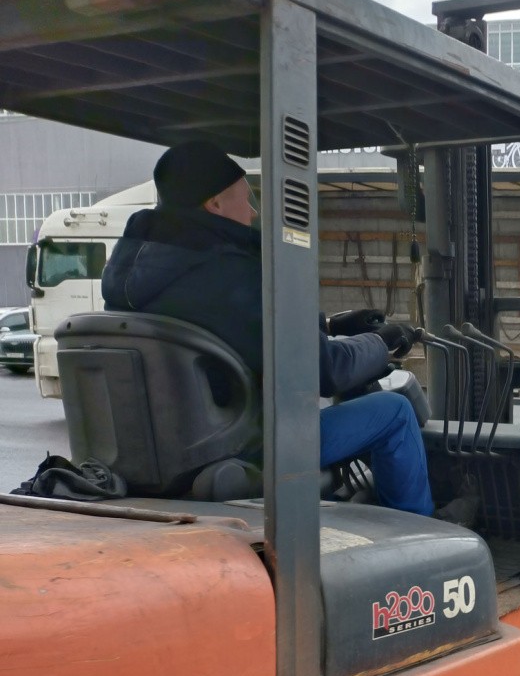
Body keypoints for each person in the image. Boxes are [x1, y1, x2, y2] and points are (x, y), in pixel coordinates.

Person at [101, 140, 436, 515]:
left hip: (171, 450)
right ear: (215, 204)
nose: (252, 212)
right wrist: (379, 342)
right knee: (394, 412)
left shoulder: (131, 279)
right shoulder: (232, 273)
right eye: (245, 200)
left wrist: (329, 325)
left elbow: (232, 329)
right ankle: (425, 532)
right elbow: (325, 371)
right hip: (248, 447)